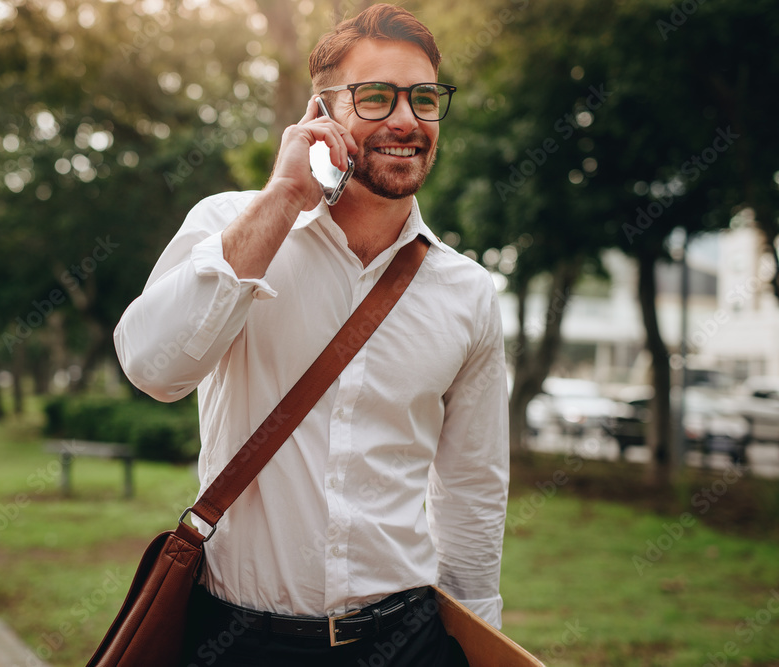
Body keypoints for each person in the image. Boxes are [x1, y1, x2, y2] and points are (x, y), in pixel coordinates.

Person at [113, 4, 509, 665]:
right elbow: (154, 368)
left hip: (407, 640)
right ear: (319, 114)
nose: (406, 120)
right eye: (376, 97)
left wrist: (482, 641)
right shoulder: (230, 224)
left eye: (425, 99)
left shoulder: (467, 292)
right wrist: (280, 200)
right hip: (241, 641)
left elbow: (471, 489)